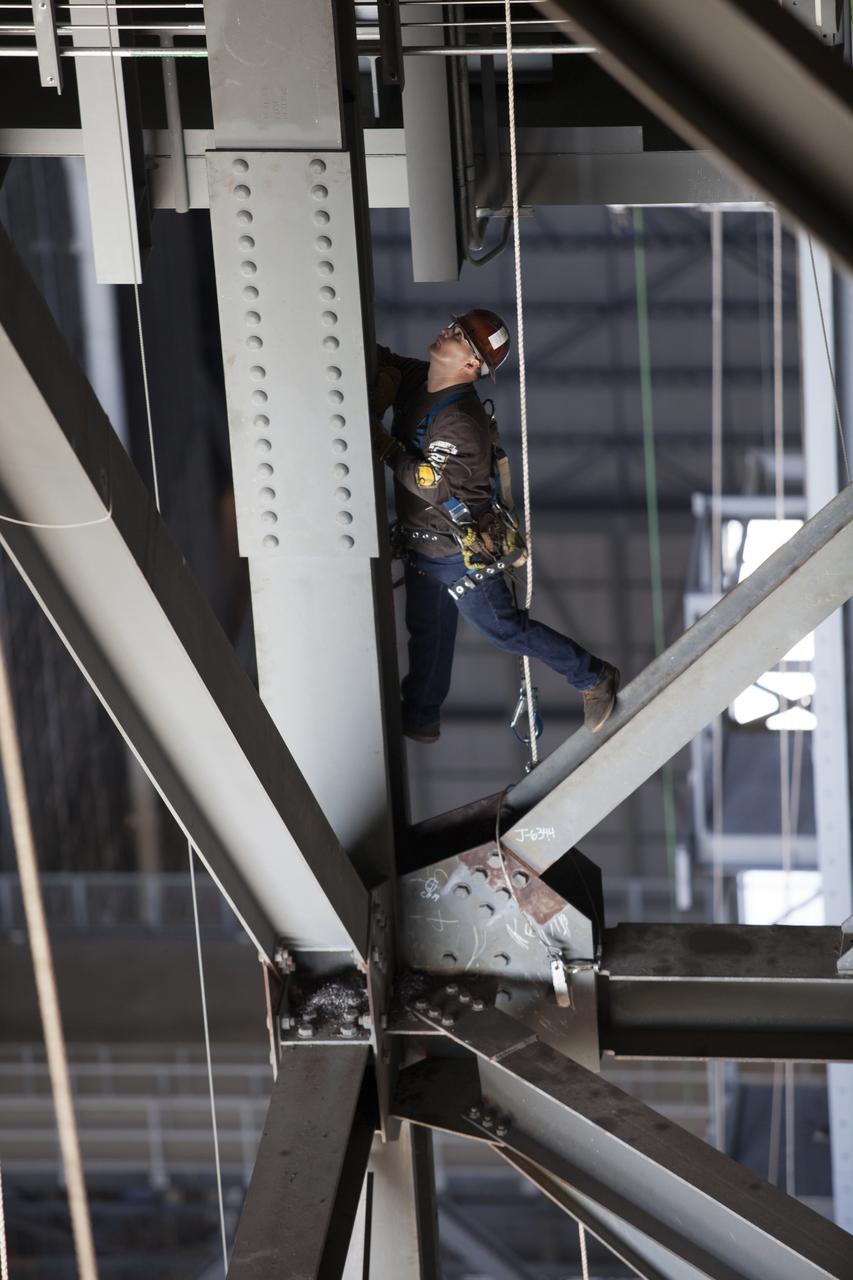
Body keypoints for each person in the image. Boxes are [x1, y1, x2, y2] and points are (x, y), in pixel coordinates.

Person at [372, 308, 619, 744]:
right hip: (424, 544)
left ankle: (593, 676)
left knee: (503, 629)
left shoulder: (459, 421)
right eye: (455, 327)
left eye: (459, 336)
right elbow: (384, 358)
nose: (446, 332)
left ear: (470, 365)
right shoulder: (418, 379)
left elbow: (425, 482)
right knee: (427, 632)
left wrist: (384, 444)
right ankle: (421, 716)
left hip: (457, 552)